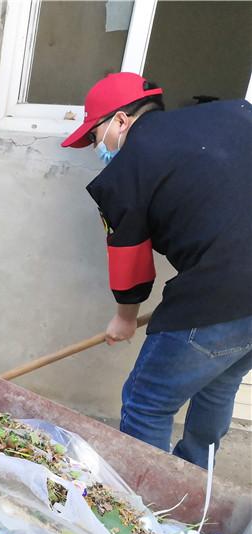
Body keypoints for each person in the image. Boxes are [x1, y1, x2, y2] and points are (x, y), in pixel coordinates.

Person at [61, 72, 252, 469]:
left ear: (120, 121)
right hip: (239, 296)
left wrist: (124, 318)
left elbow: (130, 260)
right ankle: (197, 488)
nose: (98, 149)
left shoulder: (127, 168)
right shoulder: (234, 113)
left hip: (222, 291)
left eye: (94, 138)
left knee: (147, 402)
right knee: (218, 384)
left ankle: (148, 511)